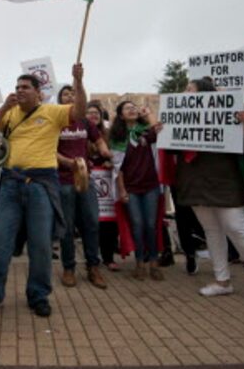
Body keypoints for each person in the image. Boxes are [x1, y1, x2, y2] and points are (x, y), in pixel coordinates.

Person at [0, 64, 86, 319]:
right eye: (17, 87)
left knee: (41, 245)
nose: (19, 91)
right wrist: (4, 107)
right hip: (10, 183)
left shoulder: (52, 112)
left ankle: (38, 295)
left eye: (25, 87)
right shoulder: (10, 114)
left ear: (38, 92)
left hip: (41, 184)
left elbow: (79, 111)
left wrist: (78, 82)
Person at [165, 78, 244, 307]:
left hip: (224, 181)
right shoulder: (179, 118)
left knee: (237, 228)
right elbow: (170, 148)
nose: (185, 93)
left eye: (190, 89)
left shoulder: (229, 115)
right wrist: (162, 131)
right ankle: (222, 281)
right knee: (211, 230)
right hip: (195, 180)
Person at [56, 86, 110, 289]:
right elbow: (50, 151)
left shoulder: (86, 122)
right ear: (60, 99)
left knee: (92, 224)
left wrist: (105, 151)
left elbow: (98, 140)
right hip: (64, 181)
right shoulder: (56, 121)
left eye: (73, 94)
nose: (70, 96)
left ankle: (93, 267)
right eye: (66, 94)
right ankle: (69, 268)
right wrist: (69, 163)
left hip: (85, 181)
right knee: (67, 227)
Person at [110, 101, 164, 280]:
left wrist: (148, 114)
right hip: (131, 189)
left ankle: (154, 263)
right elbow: (118, 168)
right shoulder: (117, 137)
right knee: (137, 226)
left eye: (134, 107)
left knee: (150, 225)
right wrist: (122, 191)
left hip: (151, 186)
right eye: (127, 108)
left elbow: (159, 129)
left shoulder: (146, 130)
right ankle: (139, 263)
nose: (132, 109)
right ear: (120, 115)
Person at [86, 102, 120, 271]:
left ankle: (108, 257)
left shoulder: (108, 134)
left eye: (96, 113)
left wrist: (109, 160)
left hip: (106, 183)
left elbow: (116, 154)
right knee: (92, 222)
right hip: (87, 181)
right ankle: (93, 258)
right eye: (90, 113)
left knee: (109, 223)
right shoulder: (81, 134)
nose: (93, 115)